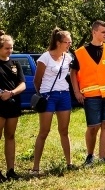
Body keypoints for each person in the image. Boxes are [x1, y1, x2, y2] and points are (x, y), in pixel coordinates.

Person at [70, 20, 105, 166]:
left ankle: (103, 157)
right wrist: (76, 91)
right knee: (93, 127)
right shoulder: (80, 52)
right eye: (103, 32)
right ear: (94, 32)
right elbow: (73, 72)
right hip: (90, 95)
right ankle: (90, 155)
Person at [31, 28, 74, 175]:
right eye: (66, 42)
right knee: (44, 131)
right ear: (58, 42)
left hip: (64, 95)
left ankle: (69, 163)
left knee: (64, 130)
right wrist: (42, 95)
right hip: (48, 95)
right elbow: (37, 80)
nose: (69, 44)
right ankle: (36, 167)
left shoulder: (68, 58)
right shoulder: (45, 57)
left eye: (70, 42)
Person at [0, 31, 25, 181]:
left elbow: (22, 84)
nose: (10, 51)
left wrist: (12, 93)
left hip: (13, 104)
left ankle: (11, 170)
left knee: (10, 136)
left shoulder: (16, 64)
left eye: (11, 48)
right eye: (6, 48)